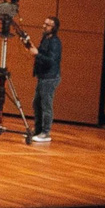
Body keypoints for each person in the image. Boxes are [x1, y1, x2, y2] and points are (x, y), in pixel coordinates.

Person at [25, 15, 62, 144]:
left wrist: (37, 54)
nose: (44, 26)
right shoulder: (45, 39)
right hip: (43, 77)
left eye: (48, 25)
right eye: (44, 23)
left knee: (46, 105)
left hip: (50, 78)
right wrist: (30, 47)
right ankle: (38, 129)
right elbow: (40, 53)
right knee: (36, 103)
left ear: (54, 28)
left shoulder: (55, 43)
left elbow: (51, 61)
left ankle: (45, 132)